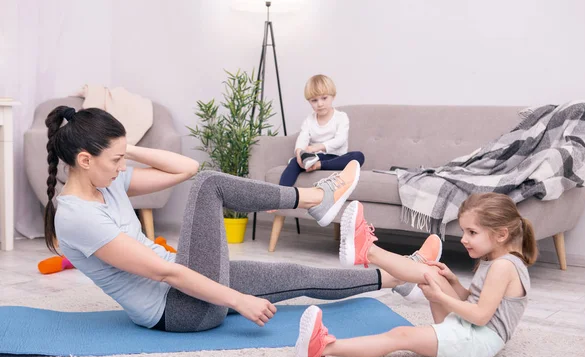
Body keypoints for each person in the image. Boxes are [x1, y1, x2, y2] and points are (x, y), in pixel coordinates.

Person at [43, 105, 410, 332]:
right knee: (209, 186)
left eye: (123, 158)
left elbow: (185, 167)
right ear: (85, 160)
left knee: (292, 276)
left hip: (190, 281)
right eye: (115, 160)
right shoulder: (78, 217)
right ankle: (317, 198)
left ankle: (396, 278)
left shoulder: (108, 181)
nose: (122, 166)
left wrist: (121, 147)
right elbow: (164, 273)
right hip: (178, 310)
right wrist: (239, 300)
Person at [295, 194, 537, 357]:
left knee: (401, 336)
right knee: (430, 273)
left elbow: (481, 316)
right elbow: (474, 301)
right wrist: (452, 282)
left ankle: (323, 347)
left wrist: (440, 296)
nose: (464, 239)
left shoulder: (503, 267)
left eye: (472, 232)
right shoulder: (496, 260)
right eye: (464, 231)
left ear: (502, 234)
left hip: (478, 339)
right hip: (471, 328)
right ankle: (368, 252)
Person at [278, 74, 365, 187]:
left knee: (358, 156)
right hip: (315, 157)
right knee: (294, 162)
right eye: (314, 100)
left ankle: (319, 165)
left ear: (333, 96)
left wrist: (316, 147)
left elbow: (340, 140)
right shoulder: (309, 120)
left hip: (336, 158)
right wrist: (299, 153)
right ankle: (281, 194)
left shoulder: (341, 117)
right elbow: (302, 139)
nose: (320, 104)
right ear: (309, 101)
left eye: (324, 98)